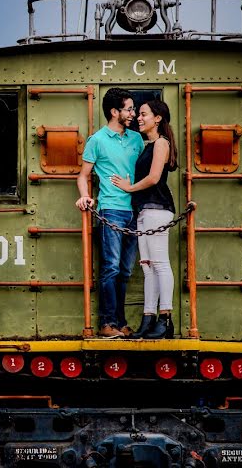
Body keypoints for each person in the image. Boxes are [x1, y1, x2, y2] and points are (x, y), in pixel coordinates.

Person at [76, 88, 144, 338]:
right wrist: (84, 195)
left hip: (135, 212)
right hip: (111, 210)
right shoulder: (97, 140)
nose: (133, 113)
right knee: (111, 268)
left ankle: (120, 322)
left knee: (125, 271)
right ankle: (107, 324)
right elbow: (83, 175)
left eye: (133, 109)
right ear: (115, 112)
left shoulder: (137, 139)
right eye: (129, 109)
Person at [110, 100, 177, 339]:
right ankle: (148, 319)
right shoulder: (149, 145)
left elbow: (154, 178)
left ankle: (166, 319)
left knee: (160, 264)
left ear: (157, 118)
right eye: (138, 114)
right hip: (145, 210)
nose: (139, 118)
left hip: (157, 208)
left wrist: (128, 188)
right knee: (148, 267)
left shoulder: (161, 143)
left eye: (144, 114)